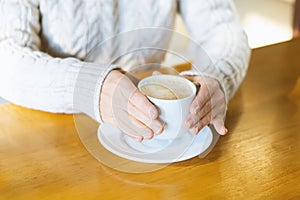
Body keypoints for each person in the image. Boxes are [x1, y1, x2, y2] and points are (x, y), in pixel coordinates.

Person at [0, 0, 250, 142]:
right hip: (43, 131)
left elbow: (222, 28)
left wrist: (217, 76)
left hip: (147, 131)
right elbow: (7, 54)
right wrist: (92, 88)